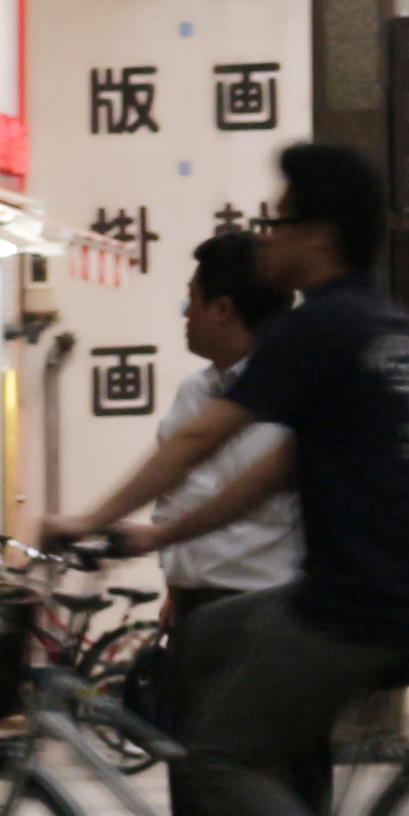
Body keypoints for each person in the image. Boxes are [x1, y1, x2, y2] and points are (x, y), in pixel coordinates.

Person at [55, 141, 409, 816]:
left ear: (318, 234)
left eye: (278, 221)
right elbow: (280, 469)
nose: (267, 239)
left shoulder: (323, 326)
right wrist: (158, 536)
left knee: (218, 756)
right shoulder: (389, 324)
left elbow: (207, 438)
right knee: (201, 645)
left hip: (358, 600)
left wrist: (87, 518)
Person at [167, 234, 307, 644]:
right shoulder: (194, 392)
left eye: (192, 299)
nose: (186, 314)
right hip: (193, 609)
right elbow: (174, 500)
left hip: (265, 611)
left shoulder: (297, 394)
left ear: (223, 309)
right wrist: (176, 586)